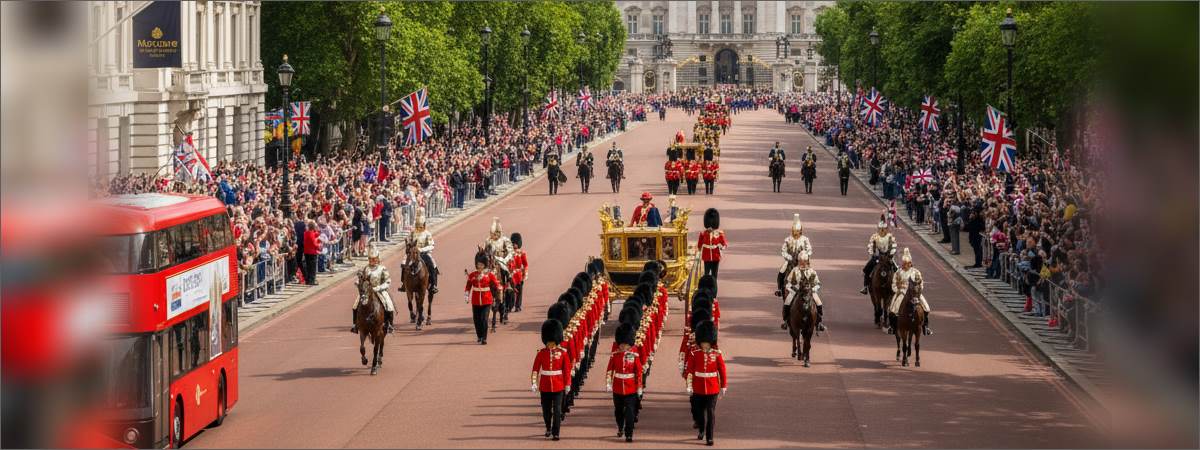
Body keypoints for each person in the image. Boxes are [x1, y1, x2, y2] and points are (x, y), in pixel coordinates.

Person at [684, 320, 726, 446]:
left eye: (707, 343)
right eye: (703, 343)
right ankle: (701, 428)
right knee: (699, 412)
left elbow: (722, 370)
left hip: (713, 388)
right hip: (698, 388)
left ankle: (710, 437)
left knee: (711, 412)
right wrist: (689, 385)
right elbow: (689, 371)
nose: (705, 345)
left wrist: (723, 386)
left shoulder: (716, 354)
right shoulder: (694, 354)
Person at [532, 319, 573, 441]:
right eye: (548, 342)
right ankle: (548, 427)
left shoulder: (563, 353)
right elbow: (535, 369)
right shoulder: (541, 353)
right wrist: (534, 382)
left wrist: (568, 384)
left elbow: (567, 370)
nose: (550, 344)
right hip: (544, 386)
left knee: (557, 410)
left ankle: (556, 432)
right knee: (546, 411)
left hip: (558, 386)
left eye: (551, 342)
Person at [605, 322, 644, 442]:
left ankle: (629, 433)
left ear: (629, 344)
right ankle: (620, 427)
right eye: (621, 344)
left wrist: (639, 387)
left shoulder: (634, 355)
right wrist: (608, 383)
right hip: (617, 387)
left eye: (625, 344)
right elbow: (610, 370)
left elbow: (639, 371)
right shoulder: (615, 355)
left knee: (630, 412)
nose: (622, 346)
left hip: (631, 388)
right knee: (618, 411)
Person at [887, 248, 932, 336]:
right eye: (903, 264)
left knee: (926, 307)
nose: (905, 265)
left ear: (910, 263)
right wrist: (898, 290)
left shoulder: (916, 272)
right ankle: (892, 327)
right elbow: (894, 284)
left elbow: (920, 284)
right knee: (893, 308)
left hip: (914, 293)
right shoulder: (898, 272)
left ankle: (925, 327)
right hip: (902, 292)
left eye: (907, 264)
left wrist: (918, 291)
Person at [351, 247, 395, 334]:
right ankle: (355, 325)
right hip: (367, 292)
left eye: (374, 259)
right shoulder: (366, 268)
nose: (372, 261)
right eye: (370, 259)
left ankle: (389, 324)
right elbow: (361, 279)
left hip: (379, 290)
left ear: (377, 258)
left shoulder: (382, 268)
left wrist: (379, 288)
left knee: (389, 305)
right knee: (355, 305)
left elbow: (388, 281)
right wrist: (358, 283)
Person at [465, 251, 501, 344]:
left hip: (486, 300)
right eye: (478, 264)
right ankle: (479, 336)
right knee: (476, 320)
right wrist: (466, 295)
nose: (480, 266)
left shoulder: (489, 274)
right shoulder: (472, 274)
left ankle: (484, 338)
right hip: (476, 300)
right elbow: (468, 285)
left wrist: (499, 292)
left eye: (481, 264)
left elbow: (496, 285)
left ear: (484, 265)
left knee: (484, 319)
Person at [783, 252, 824, 332]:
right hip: (796, 290)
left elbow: (818, 284)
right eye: (801, 261)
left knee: (819, 303)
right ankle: (786, 320)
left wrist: (813, 289)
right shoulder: (795, 270)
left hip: (810, 291)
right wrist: (793, 289)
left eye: (804, 261)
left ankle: (819, 322)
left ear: (807, 261)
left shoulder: (812, 271)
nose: (802, 263)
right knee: (787, 302)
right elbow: (788, 283)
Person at [402, 208, 438, 294]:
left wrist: (422, 249)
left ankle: (433, 284)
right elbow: (409, 241)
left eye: (420, 226)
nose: (419, 228)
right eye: (417, 226)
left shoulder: (427, 233)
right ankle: (404, 283)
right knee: (404, 264)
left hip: (424, 253)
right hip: (413, 253)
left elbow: (432, 245)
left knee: (432, 265)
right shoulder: (413, 233)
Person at [776, 214, 812, 298]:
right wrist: (788, 257)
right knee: (781, 271)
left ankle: (813, 290)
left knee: (810, 273)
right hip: (791, 261)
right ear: (792, 230)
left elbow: (809, 249)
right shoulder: (788, 239)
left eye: (798, 231)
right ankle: (780, 289)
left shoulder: (805, 239)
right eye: (795, 230)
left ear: (801, 230)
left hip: (803, 261)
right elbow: (783, 250)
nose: (796, 232)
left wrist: (806, 255)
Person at [860, 219, 898, 295]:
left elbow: (894, 246)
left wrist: (890, 254)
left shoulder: (890, 237)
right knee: (867, 269)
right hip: (878, 256)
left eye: (884, 229)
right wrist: (873, 254)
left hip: (888, 256)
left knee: (896, 269)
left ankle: (896, 286)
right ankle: (865, 287)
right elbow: (870, 246)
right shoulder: (875, 236)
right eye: (881, 229)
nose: (882, 231)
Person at [697, 208, 727, 278]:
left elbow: (724, 244)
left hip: (716, 256)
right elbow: (699, 245)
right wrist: (699, 250)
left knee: (714, 275)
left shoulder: (719, 233)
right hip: (706, 256)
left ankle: (714, 288)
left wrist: (721, 247)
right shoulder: (703, 233)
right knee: (706, 274)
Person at [485, 217, 515, 285]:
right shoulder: (488, 240)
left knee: (507, 272)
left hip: (503, 260)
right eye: (492, 233)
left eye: (496, 233)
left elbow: (511, 251)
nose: (494, 235)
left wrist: (506, 259)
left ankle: (510, 285)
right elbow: (485, 252)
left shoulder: (504, 239)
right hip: (492, 261)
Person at [509, 232, 529, 312]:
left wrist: (525, 273)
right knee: (511, 291)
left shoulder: (522, 253)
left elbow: (525, 264)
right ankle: (510, 305)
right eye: (513, 243)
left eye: (515, 244)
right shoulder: (509, 253)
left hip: (519, 275)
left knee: (519, 291)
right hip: (511, 274)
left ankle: (518, 305)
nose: (514, 245)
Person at [303, 220, 321, 286]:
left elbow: (316, 234)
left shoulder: (306, 232)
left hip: (307, 251)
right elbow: (314, 243)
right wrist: (319, 246)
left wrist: (317, 231)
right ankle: (312, 280)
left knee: (308, 267)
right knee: (312, 267)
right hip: (312, 252)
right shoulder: (310, 233)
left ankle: (308, 280)